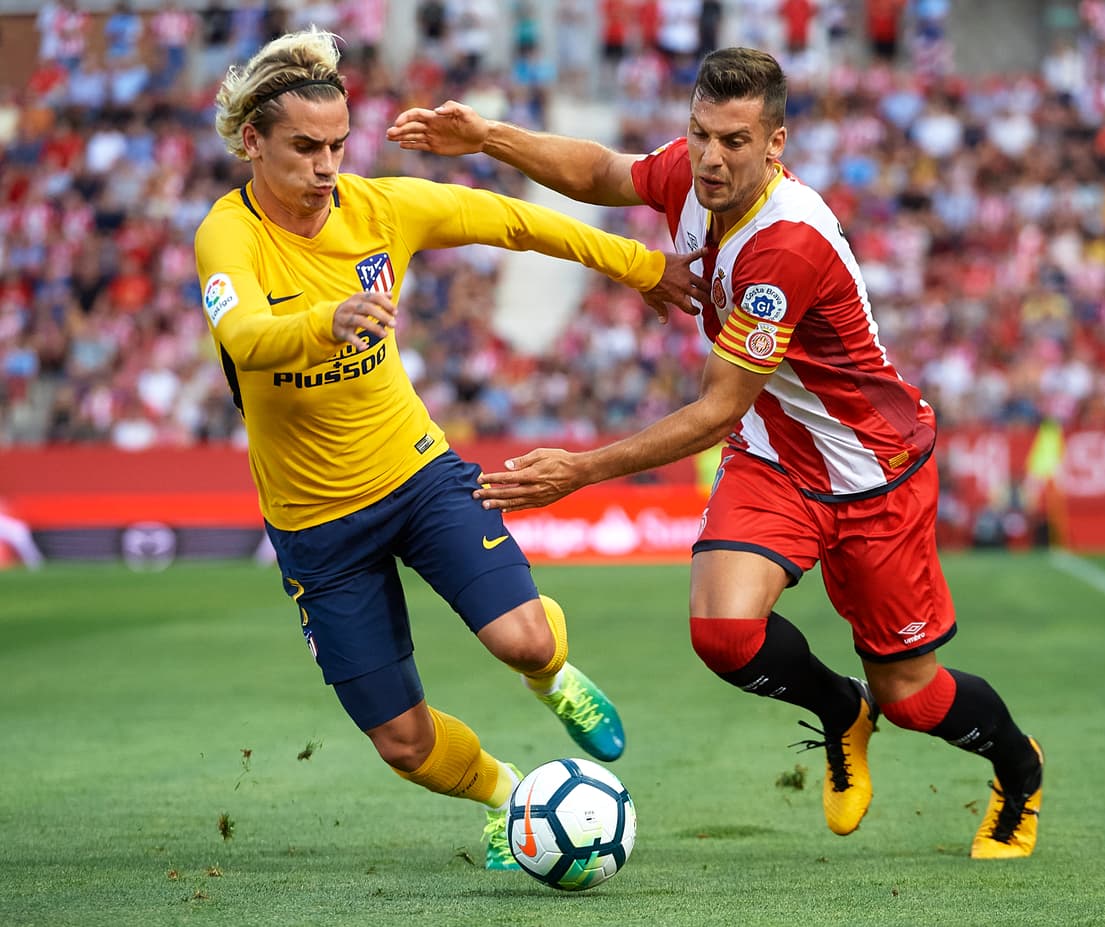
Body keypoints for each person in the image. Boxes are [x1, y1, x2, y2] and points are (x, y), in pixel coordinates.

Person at [388, 47, 1045, 858]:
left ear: (776, 143)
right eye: (700, 133)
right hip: (776, 453)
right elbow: (601, 172)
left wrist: (581, 470)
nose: (710, 156)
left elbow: (714, 409)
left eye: (734, 140)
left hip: (873, 469)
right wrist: (487, 136)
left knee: (910, 694)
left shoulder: (786, 245)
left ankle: (1019, 770)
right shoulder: (697, 180)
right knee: (724, 634)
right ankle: (842, 712)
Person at [193, 27, 706, 872]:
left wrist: (639, 265)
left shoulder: (381, 208)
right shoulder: (228, 235)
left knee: (528, 641)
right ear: (252, 141)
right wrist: (326, 321)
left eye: (337, 146)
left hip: (419, 476)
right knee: (402, 743)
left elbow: (511, 221)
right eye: (305, 148)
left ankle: (556, 681)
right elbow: (246, 336)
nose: (326, 167)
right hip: (317, 528)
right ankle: (513, 799)